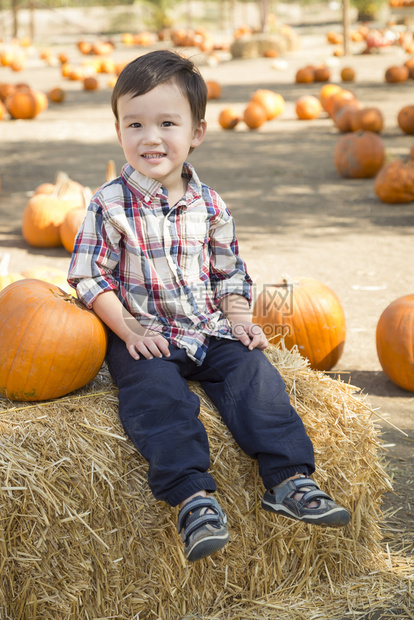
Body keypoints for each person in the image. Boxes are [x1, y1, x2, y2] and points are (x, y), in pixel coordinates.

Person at [68, 49, 350, 563]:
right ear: (118, 132)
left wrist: (240, 320)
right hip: (146, 334)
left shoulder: (211, 204)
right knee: (156, 398)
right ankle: (192, 498)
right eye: (135, 124)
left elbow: (229, 273)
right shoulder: (108, 204)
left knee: (256, 377)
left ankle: (288, 480)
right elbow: (89, 275)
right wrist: (129, 330)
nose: (150, 137)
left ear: (196, 132)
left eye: (167, 123)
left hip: (207, 329)